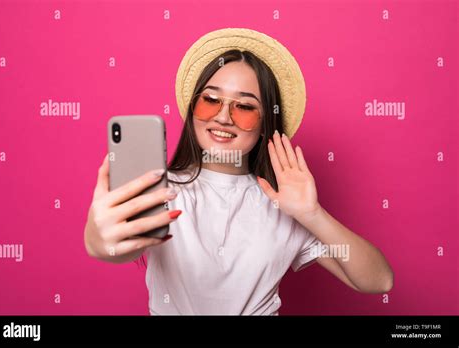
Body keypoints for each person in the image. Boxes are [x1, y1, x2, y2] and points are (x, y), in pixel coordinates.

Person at [84, 28, 394, 315]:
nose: (223, 117)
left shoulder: (284, 203)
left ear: (264, 125)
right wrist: (99, 238)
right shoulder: (161, 189)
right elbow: (114, 248)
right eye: (211, 100)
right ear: (194, 109)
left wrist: (312, 213)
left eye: (244, 107)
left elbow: (378, 282)